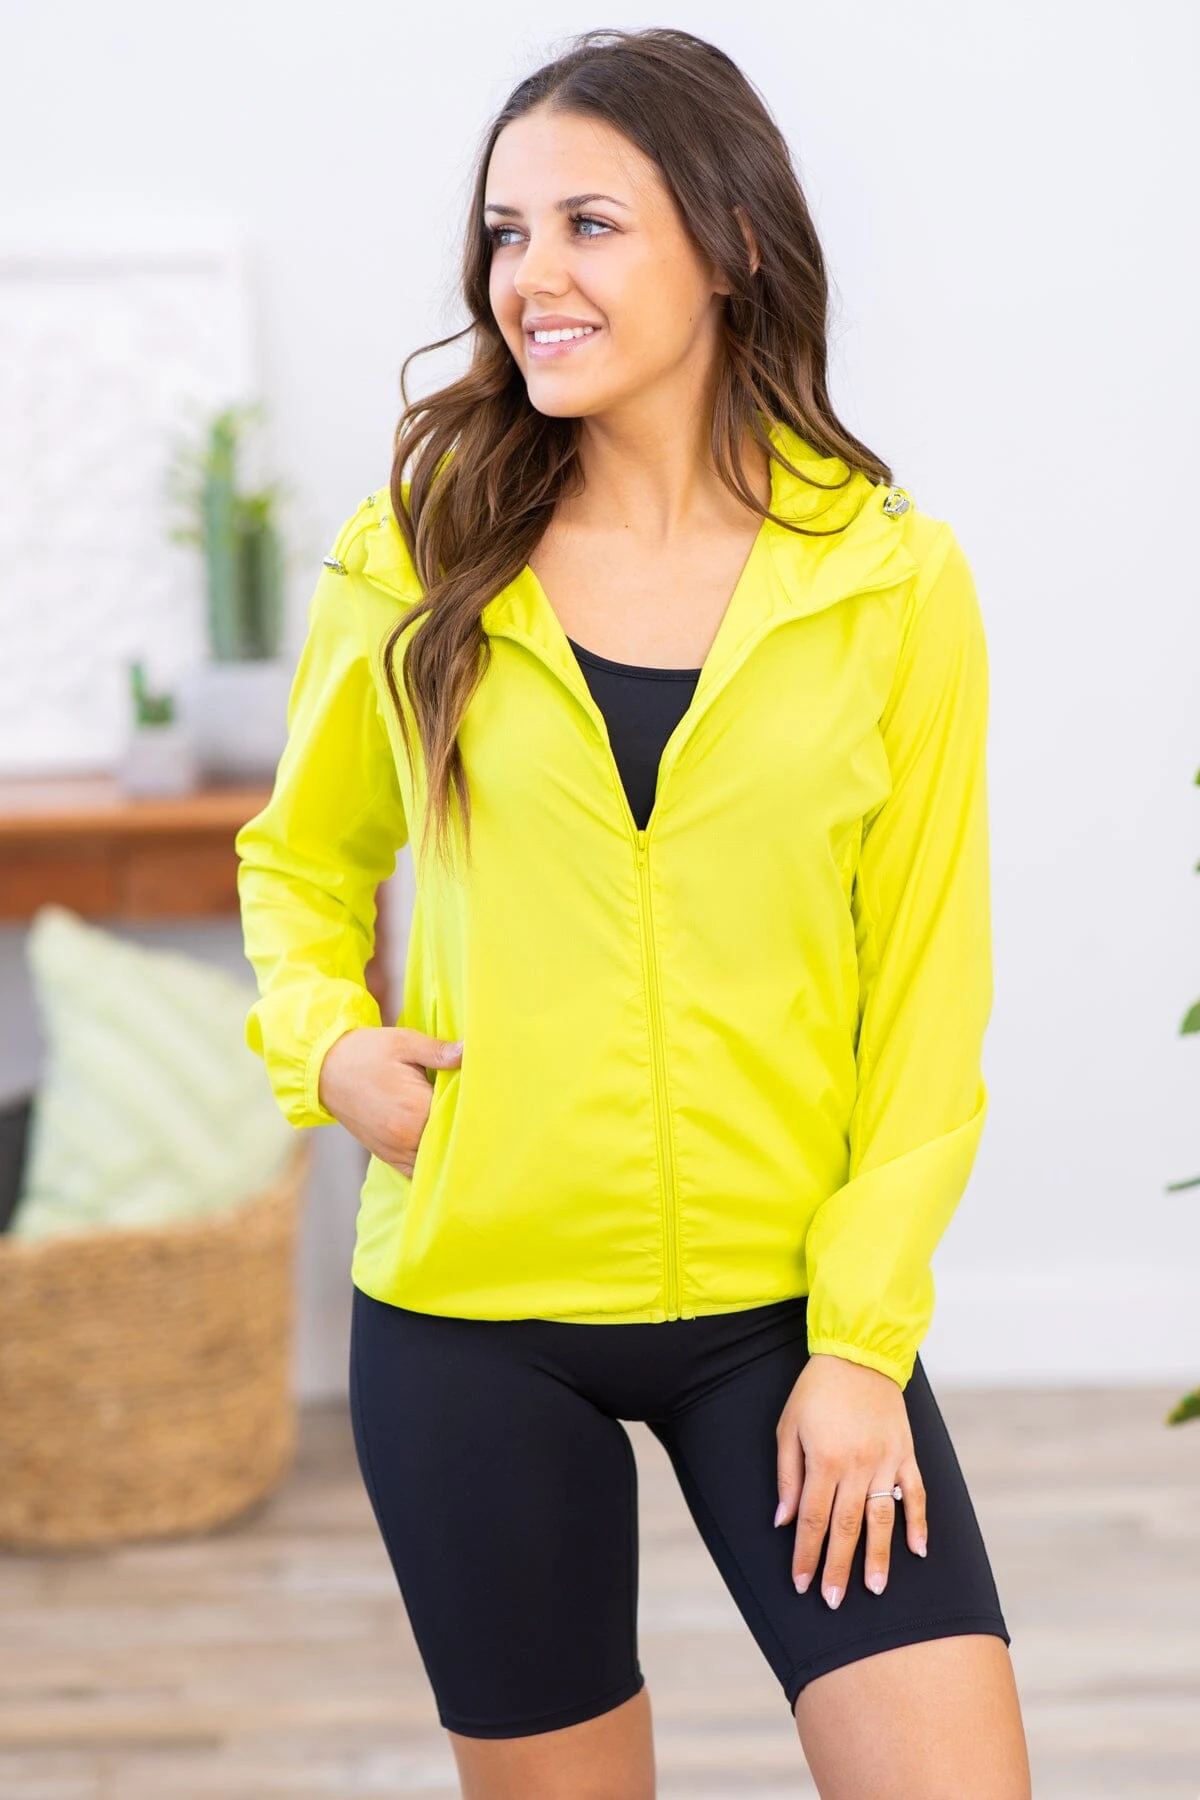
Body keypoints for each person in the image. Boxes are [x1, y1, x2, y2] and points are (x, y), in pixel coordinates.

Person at [235, 25, 1032, 1800]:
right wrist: (328, 1048)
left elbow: (928, 987)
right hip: (472, 1315)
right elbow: (298, 860)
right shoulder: (420, 547)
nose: (533, 277)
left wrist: (860, 1348)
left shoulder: (890, 581)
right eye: (505, 234)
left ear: (732, 242)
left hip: (780, 1311)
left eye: (589, 224)